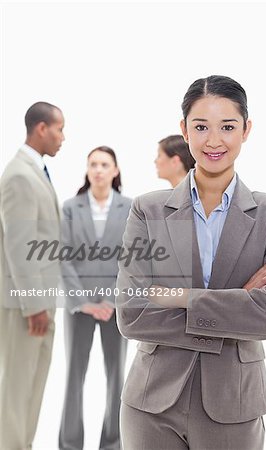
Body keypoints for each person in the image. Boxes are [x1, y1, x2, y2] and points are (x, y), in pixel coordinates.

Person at [116, 75, 266, 450]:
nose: (214, 141)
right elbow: (132, 313)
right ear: (184, 130)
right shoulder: (148, 210)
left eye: (227, 127)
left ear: (246, 130)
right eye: (201, 127)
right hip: (150, 406)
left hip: (234, 403)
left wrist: (180, 296)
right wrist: (239, 298)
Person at [0, 102, 65, 450]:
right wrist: (34, 306)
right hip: (25, 307)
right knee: (16, 390)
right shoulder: (19, 175)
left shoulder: (35, 171)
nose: (62, 138)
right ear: (41, 128)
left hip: (41, 303)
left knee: (33, 387)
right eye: (59, 129)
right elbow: (19, 246)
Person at [59, 146, 131, 450]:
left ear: (115, 170)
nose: (98, 169)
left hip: (118, 308)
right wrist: (84, 302)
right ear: (87, 170)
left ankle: (112, 443)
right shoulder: (70, 208)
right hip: (79, 308)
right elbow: (63, 258)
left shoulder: (129, 207)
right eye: (93, 164)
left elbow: (134, 259)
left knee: (117, 377)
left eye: (104, 164)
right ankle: (70, 443)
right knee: (74, 376)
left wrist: (114, 301)